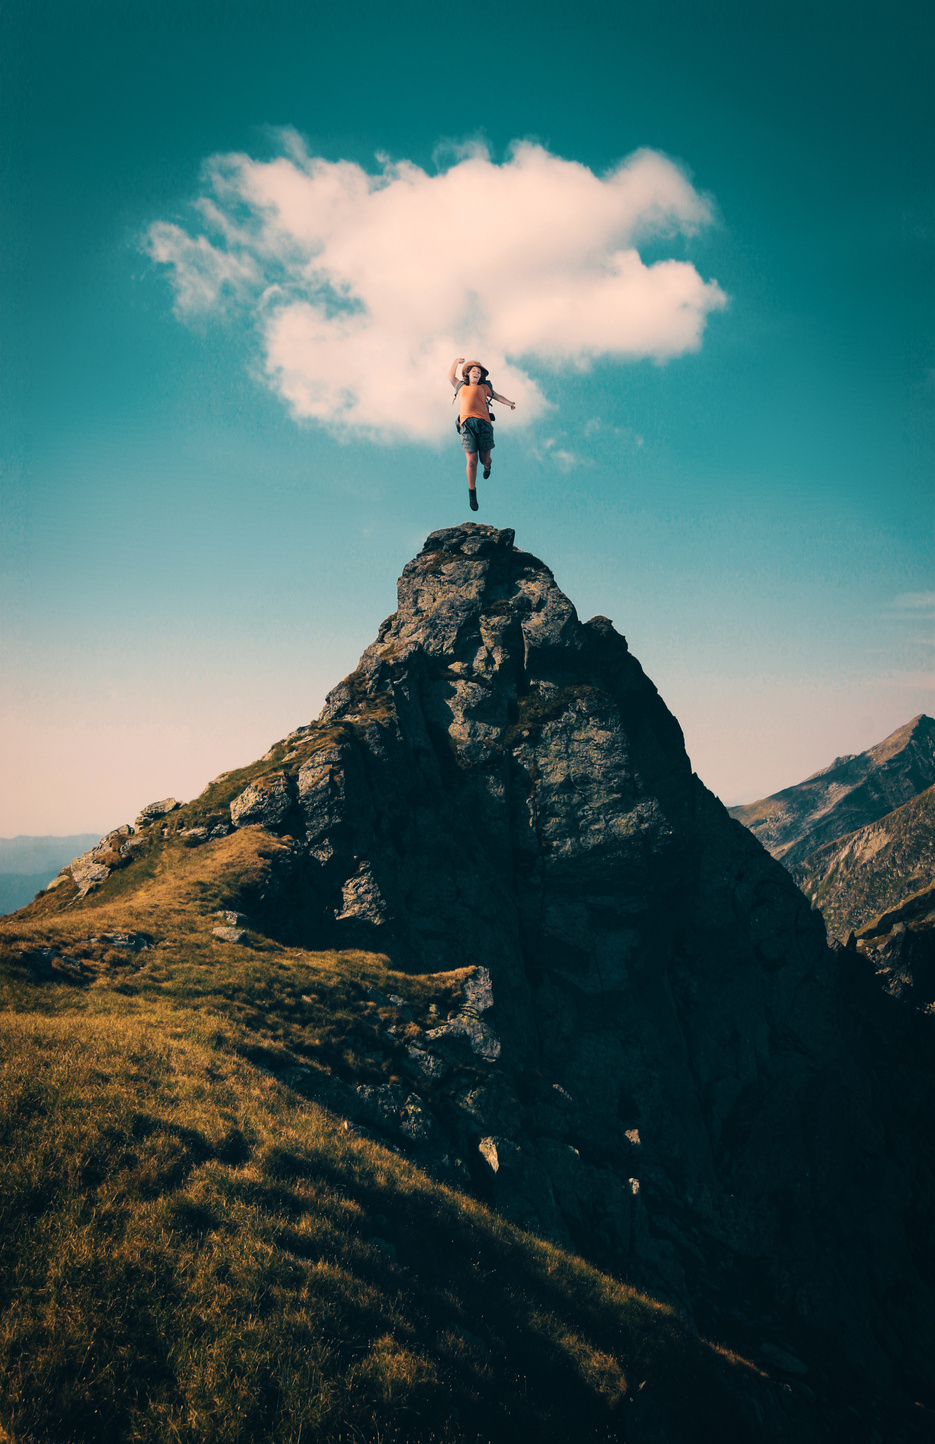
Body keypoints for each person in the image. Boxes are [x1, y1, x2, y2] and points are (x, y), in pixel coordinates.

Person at [447, 358, 515, 511]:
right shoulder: (461, 387)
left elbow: (497, 397)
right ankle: (472, 492)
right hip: (467, 426)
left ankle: (488, 467)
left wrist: (510, 403)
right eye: (474, 371)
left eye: (479, 372)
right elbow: (450, 376)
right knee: (472, 461)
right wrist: (456, 362)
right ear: (468, 374)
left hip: (484, 425)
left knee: (484, 459)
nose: (476, 373)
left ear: (481, 376)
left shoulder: (484, 387)